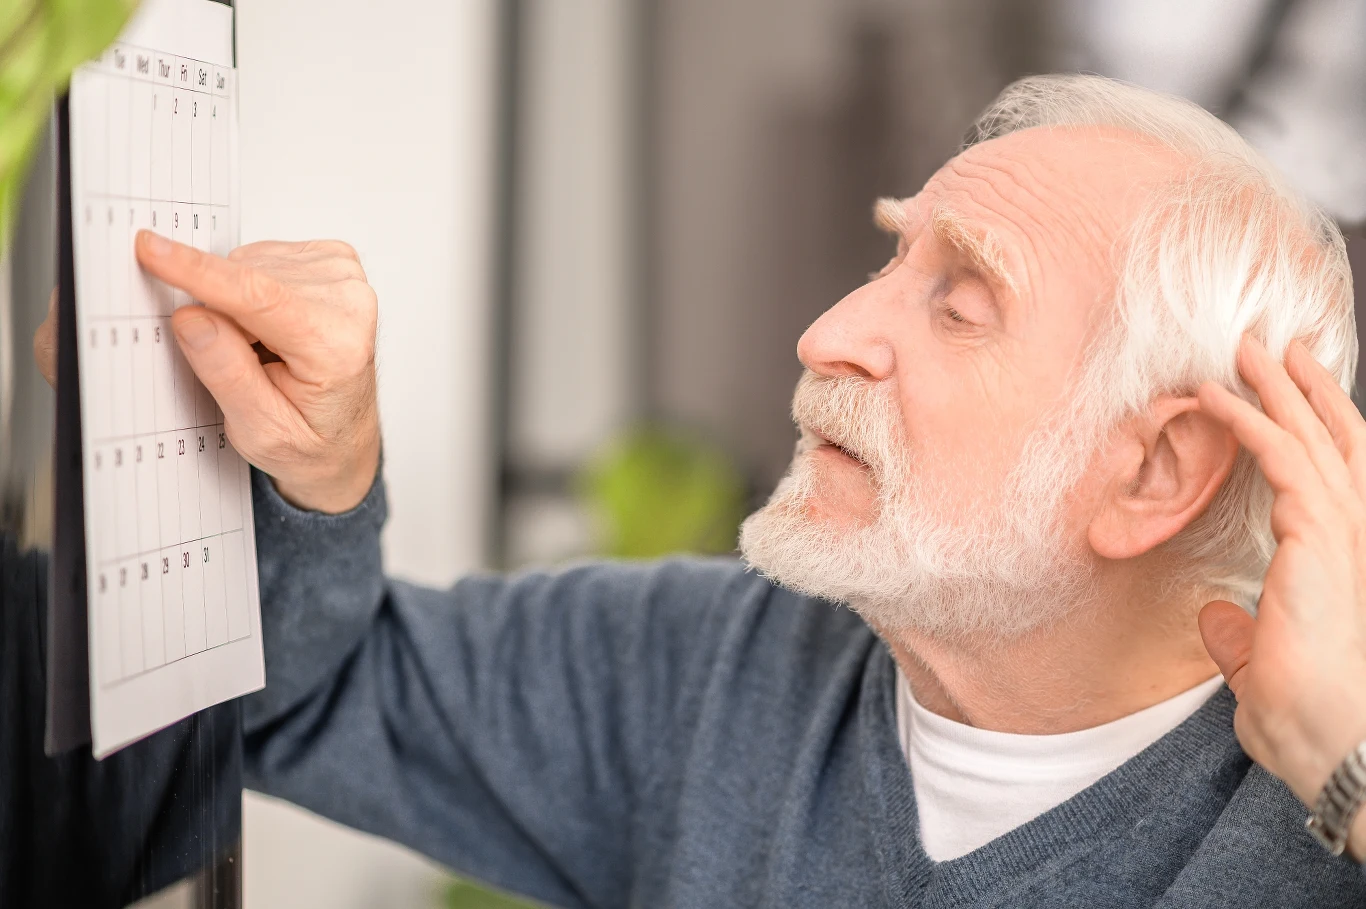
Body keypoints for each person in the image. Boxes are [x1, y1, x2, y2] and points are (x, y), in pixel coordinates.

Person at [25, 73, 1366, 906]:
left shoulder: (1320, 825)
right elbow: (288, 697)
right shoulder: (709, 670)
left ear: (1155, 471)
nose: (828, 331)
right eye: (888, 264)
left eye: (958, 302)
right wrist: (318, 477)